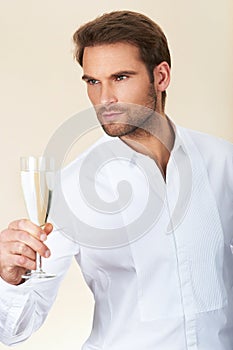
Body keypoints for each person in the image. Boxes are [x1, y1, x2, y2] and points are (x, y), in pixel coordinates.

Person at [0, 10, 232, 350]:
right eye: (93, 81)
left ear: (161, 76)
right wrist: (8, 278)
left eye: (120, 77)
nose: (104, 98)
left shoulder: (223, 162)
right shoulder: (72, 186)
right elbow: (13, 330)